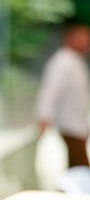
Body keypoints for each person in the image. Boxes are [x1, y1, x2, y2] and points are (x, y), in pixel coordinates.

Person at [36, 23, 90, 169]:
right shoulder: (62, 62)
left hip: (77, 125)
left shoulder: (75, 62)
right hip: (68, 126)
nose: (86, 41)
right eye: (83, 37)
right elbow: (51, 90)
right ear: (70, 38)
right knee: (81, 169)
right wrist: (44, 116)